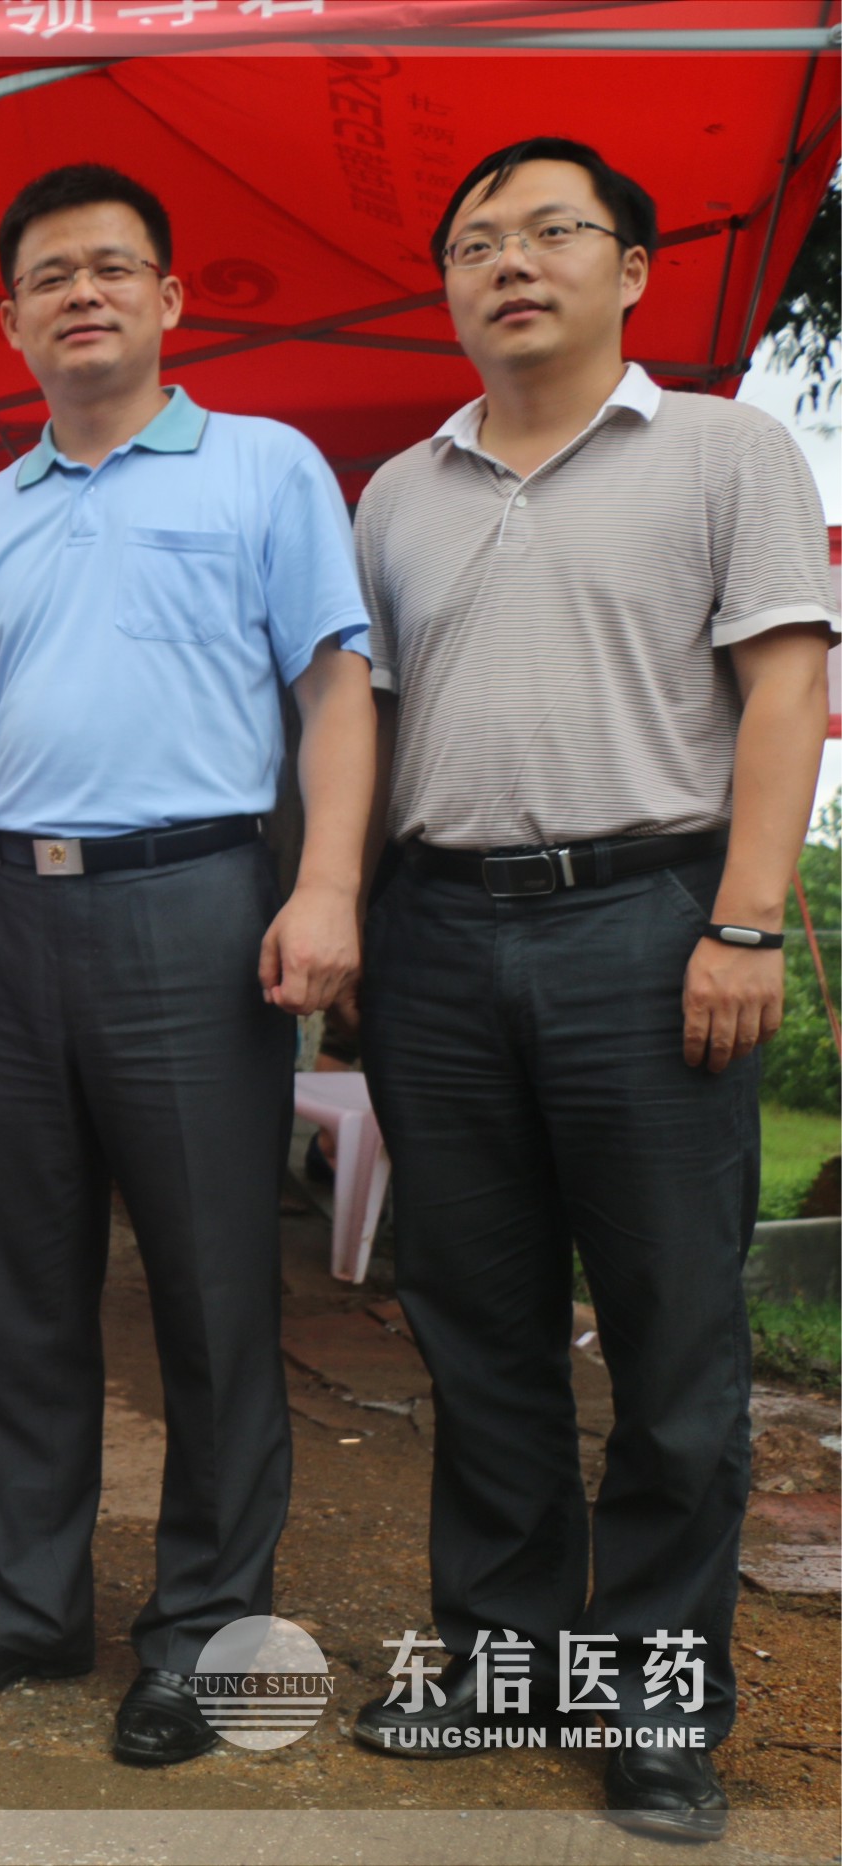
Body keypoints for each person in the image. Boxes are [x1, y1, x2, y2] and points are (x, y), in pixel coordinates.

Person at [0, 165, 377, 1765]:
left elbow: (334, 690)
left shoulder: (264, 467)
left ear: (169, 299)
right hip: (17, 910)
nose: (82, 293)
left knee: (207, 1285)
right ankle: (32, 1601)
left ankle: (200, 1627)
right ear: (8, 321)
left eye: (113, 267)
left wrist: (326, 884)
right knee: (17, 1281)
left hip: (194, 900)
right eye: (49, 275)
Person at [344, 138, 837, 1843]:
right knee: (476, 1333)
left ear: (629, 268)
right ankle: (505, 1660)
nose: (510, 262)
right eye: (474, 241)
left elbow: (785, 691)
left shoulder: (720, 449)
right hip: (434, 936)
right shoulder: (396, 492)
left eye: (552, 230)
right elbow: (367, 725)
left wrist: (745, 923)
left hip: (649, 924)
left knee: (671, 1340)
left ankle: (656, 1701)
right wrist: (347, 915)